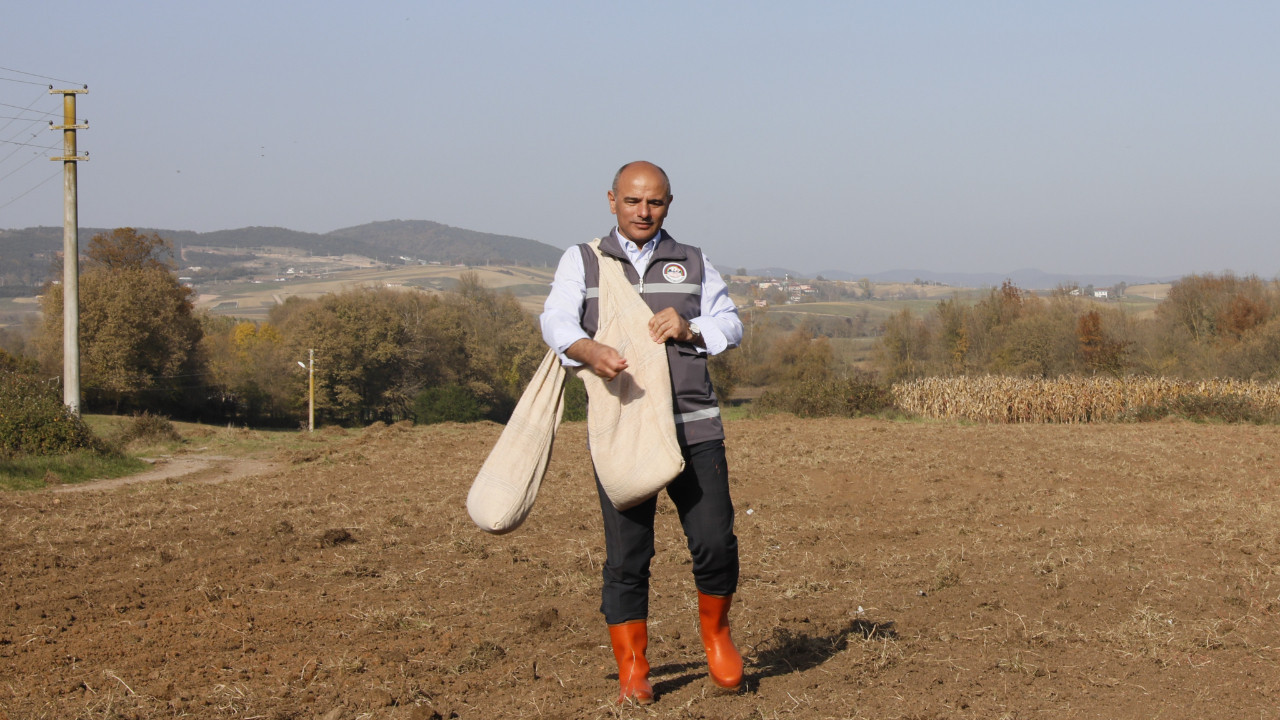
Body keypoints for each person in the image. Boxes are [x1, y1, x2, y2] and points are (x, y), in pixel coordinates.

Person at [540, 161, 745, 704]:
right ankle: (633, 666)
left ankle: (717, 636)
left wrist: (691, 326)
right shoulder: (582, 261)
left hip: (694, 427)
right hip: (624, 430)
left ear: (669, 204)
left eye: (654, 203)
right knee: (628, 555)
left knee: (715, 542)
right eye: (632, 202)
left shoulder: (693, 261)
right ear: (612, 201)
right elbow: (557, 320)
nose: (643, 212)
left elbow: (731, 323)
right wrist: (585, 348)